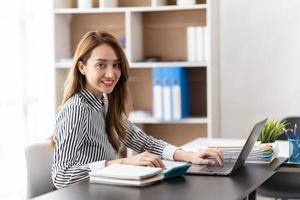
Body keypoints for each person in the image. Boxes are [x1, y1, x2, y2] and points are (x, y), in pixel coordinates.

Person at [51, 31, 224, 189]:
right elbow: (61, 176)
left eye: (116, 65)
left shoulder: (104, 102)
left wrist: (189, 156)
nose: (111, 74)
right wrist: (121, 163)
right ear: (82, 67)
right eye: (101, 65)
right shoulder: (76, 109)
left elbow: (143, 142)